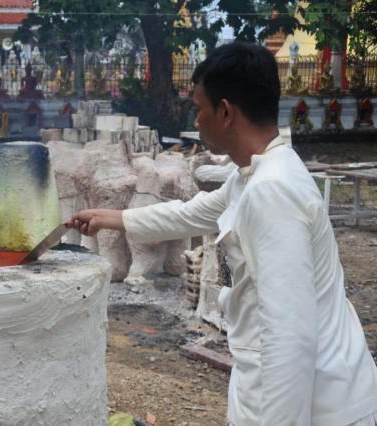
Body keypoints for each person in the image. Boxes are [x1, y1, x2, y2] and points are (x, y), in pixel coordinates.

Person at [67, 42, 377, 425]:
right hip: (278, 388)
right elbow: (188, 214)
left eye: (199, 109)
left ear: (226, 112)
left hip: (319, 407)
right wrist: (110, 218)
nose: (196, 122)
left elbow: (290, 339)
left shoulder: (272, 192)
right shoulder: (253, 175)